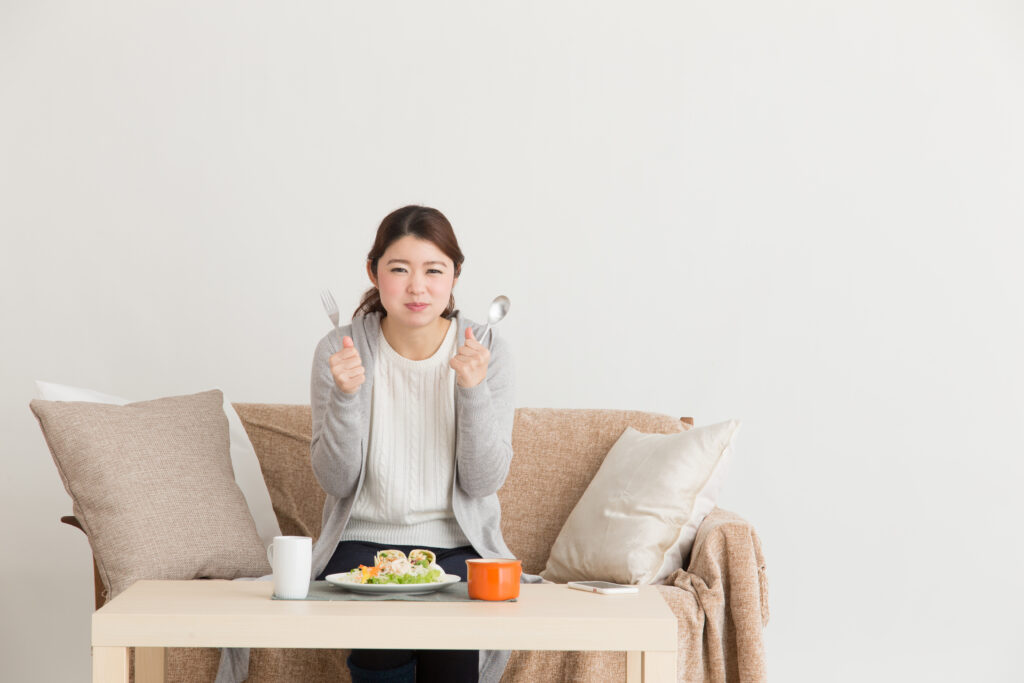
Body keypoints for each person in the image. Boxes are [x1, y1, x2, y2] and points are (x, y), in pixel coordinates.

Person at [308, 205, 520, 683]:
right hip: (361, 544)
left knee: (454, 658)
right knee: (381, 647)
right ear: (374, 273)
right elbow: (335, 480)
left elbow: (484, 480)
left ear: (455, 276)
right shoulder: (338, 350)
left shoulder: (488, 352)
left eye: (433, 270)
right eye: (399, 269)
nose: (417, 287)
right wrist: (346, 397)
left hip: (458, 546)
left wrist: (472, 389)